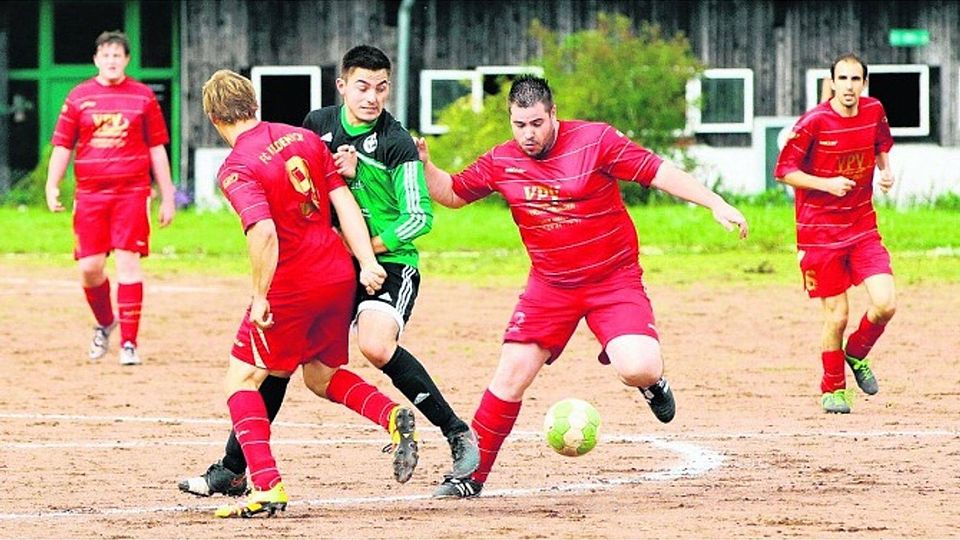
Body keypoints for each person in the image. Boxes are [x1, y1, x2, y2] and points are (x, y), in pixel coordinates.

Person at [416, 75, 749, 498]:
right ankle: (470, 476)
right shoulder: (502, 160)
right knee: (511, 374)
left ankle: (653, 385)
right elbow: (451, 193)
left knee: (639, 367)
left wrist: (715, 203)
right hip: (550, 285)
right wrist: (425, 165)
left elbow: (659, 172)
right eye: (519, 125)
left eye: (537, 123)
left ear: (553, 114)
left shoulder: (595, 141)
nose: (528, 134)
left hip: (613, 279)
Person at [179, 45, 479, 498]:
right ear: (342, 86)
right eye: (362, 87)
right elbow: (326, 192)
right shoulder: (312, 129)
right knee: (299, 372)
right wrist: (351, 242)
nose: (372, 97)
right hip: (337, 266)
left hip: (377, 261)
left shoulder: (398, 142)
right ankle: (233, 468)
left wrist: (368, 256)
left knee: (363, 348)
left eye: (381, 88)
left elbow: (418, 217)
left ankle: (455, 431)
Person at [199, 69, 421, 518]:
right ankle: (390, 416)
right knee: (320, 376)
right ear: (254, 104)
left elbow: (263, 232)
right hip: (336, 274)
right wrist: (367, 261)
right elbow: (344, 202)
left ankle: (266, 485)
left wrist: (260, 295)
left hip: (292, 284)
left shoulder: (237, 167)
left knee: (241, 379)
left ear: (214, 118)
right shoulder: (303, 138)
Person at [45, 30, 176, 366]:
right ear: (96, 59)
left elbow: (156, 148)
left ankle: (129, 343)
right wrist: (52, 184)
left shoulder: (143, 97)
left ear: (127, 60)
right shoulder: (79, 97)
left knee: (128, 262)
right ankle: (106, 323)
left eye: (117, 55)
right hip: (90, 195)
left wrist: (168, 195)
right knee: (90, 268)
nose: (112, 60)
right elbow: (63, 145)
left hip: (131, 193)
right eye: (106, 55)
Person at [775, 53, 896, 414]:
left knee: (886, 303)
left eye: (855, 79)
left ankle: (856, 352)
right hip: (819, 233)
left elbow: (880, 144)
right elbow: (784, 172)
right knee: (837, 315)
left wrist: (885, 171)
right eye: (842, 79)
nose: (849, 86)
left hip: (862, 227)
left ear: (864, 84)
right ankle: (833, 389)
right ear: (831, 83)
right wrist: (826, 184)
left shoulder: (874, 111)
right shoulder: (813, 122)